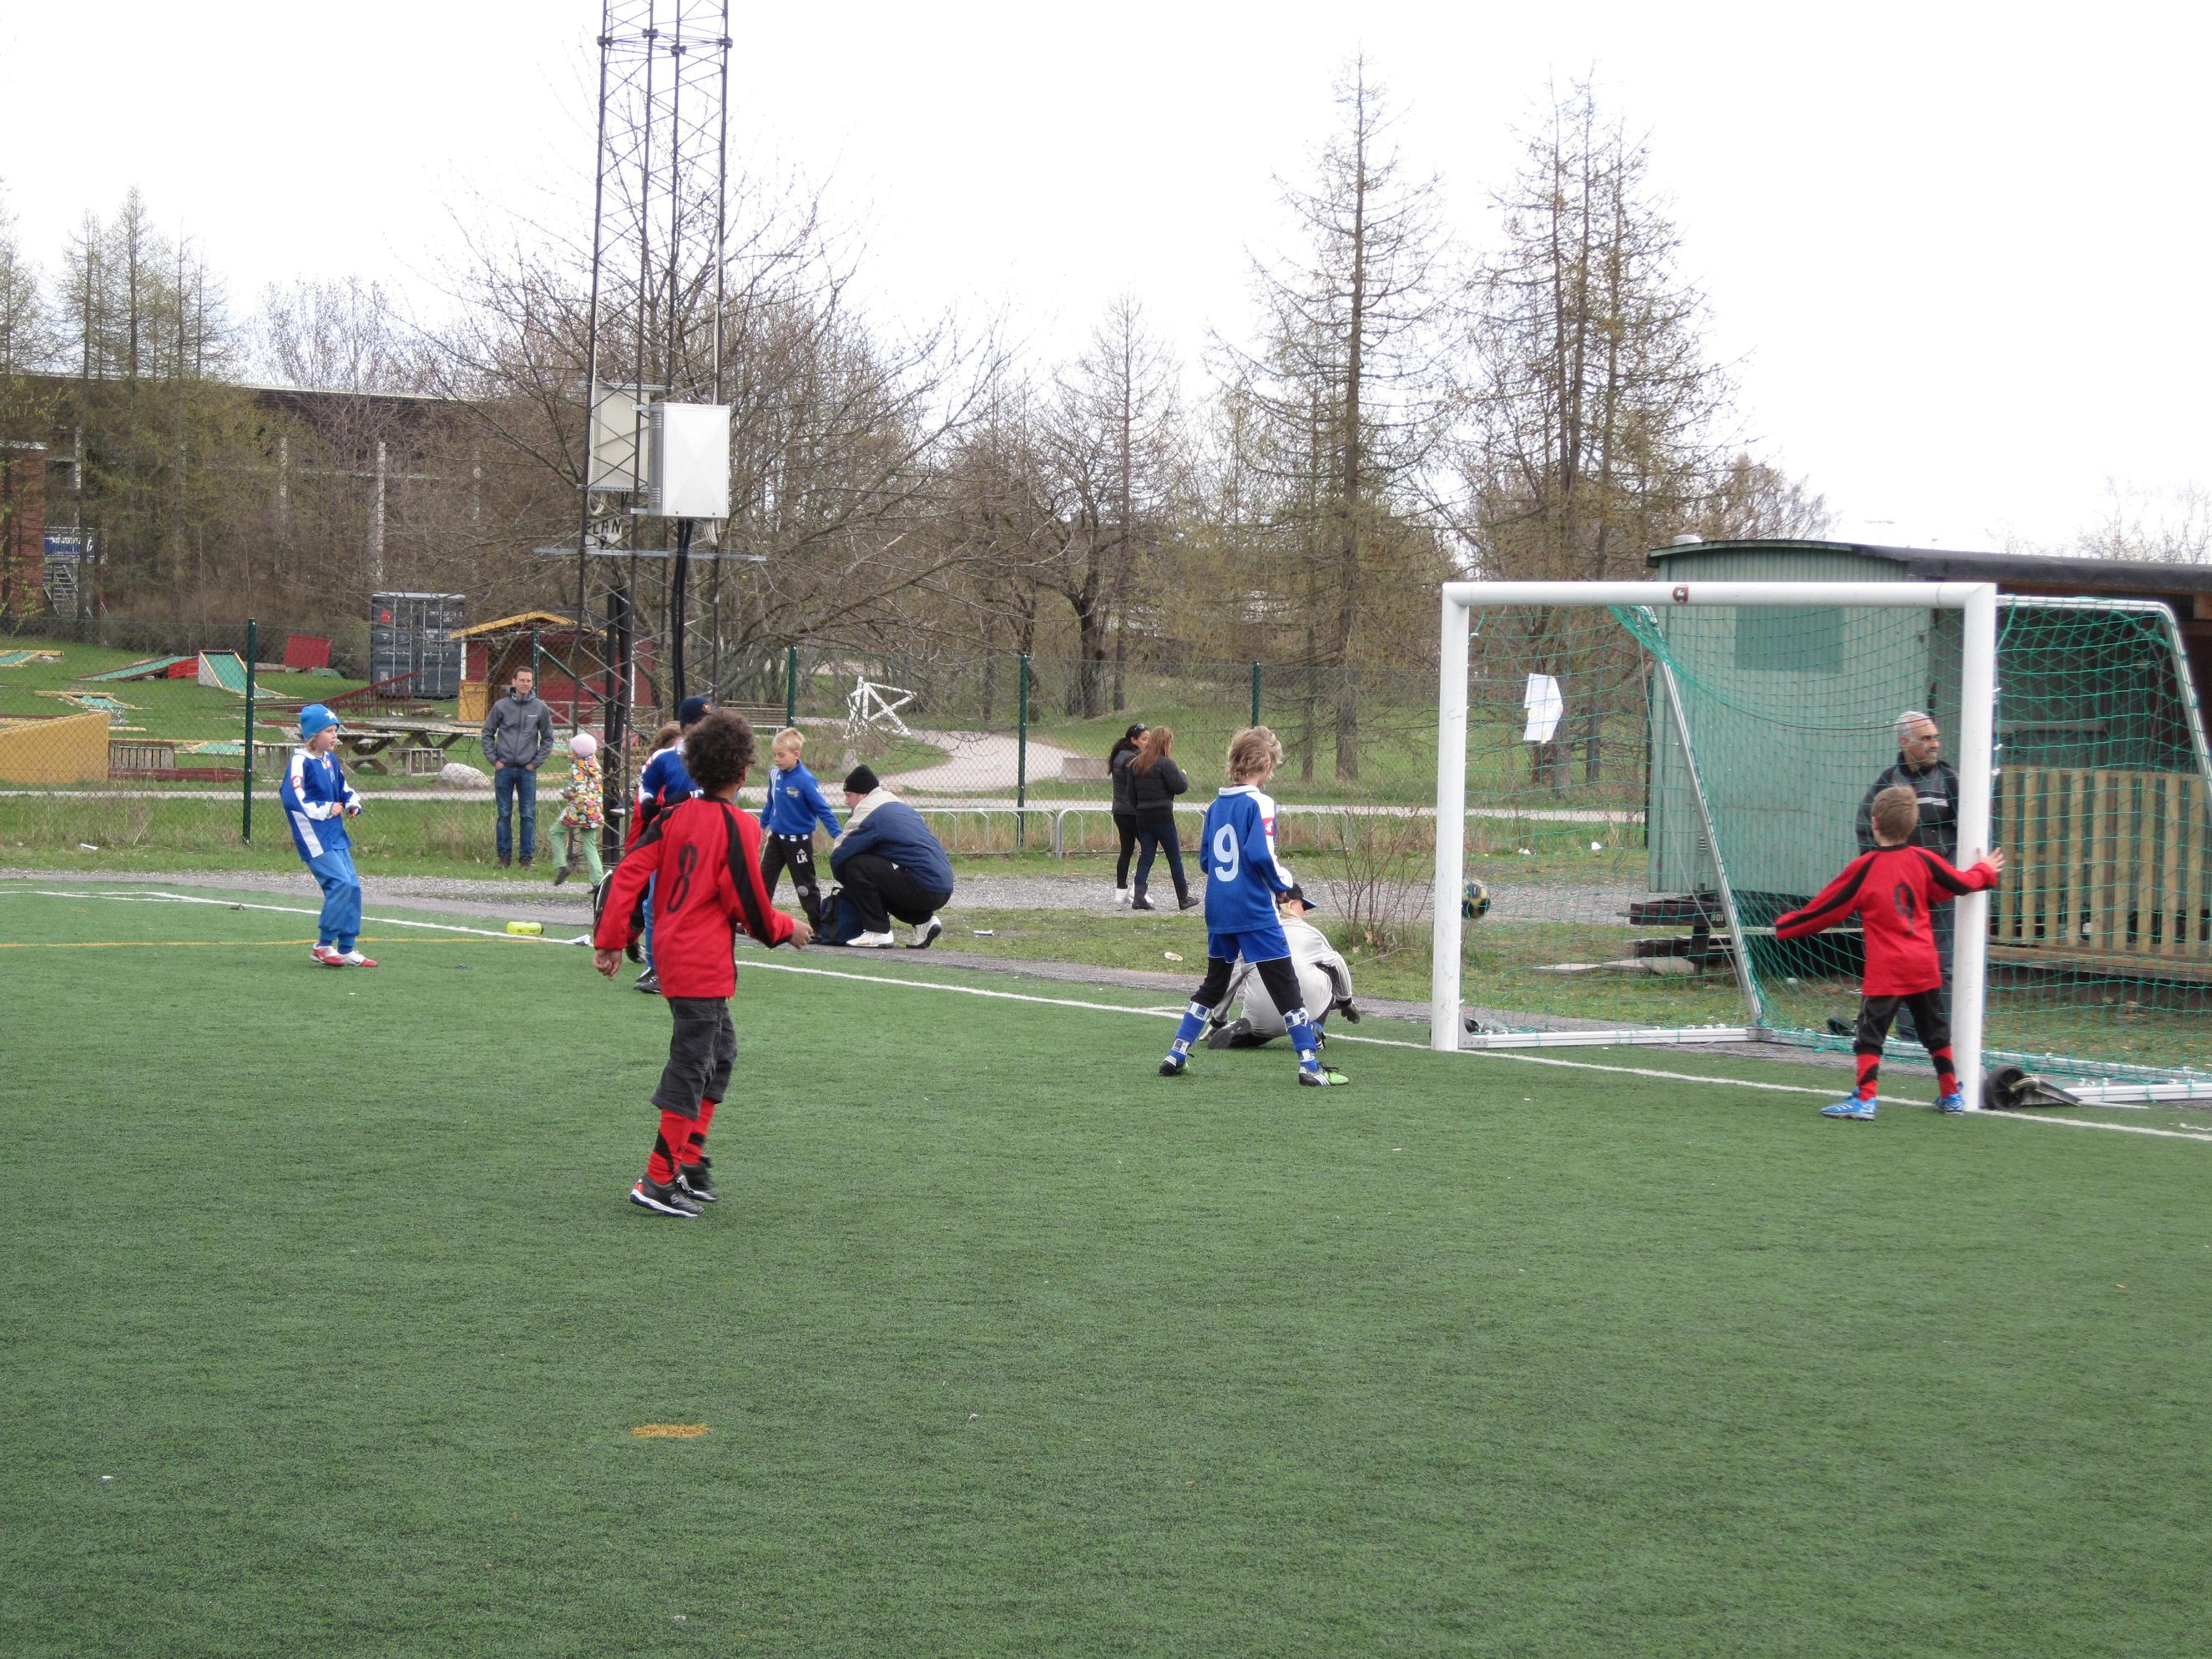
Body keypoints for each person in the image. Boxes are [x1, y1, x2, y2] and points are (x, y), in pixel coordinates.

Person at [593, 712, 813, 1217]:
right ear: (744, 770)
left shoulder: (671, 818)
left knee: (721, 1051)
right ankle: (658, 1177)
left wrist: (612, 939)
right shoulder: (739, 825)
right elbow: (747, 904)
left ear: (693, 768)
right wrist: (786, 928)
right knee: (693, 1061)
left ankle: (688, 1161)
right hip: (701, 960)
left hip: (673, 955)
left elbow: (627, 875)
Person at [1776, 784, 2002, 1120]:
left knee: (1870, 1034)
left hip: (1888, 970)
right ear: (1912, 826)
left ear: (1874, 822)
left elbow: (1827, 909)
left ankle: (1865, 1099)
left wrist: (1784, 927)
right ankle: (1951, 1094)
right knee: (1936, 1031)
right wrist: (1985, 870)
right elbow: (1959, 883)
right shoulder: (1925, 860)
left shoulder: (1865, 868)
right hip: (1924, 965)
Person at [1157, 726, 1346, 1087]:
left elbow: (1206, 861)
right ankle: (1309, 1065)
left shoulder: (1216, 806)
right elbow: (1261, 854)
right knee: (1284, 983)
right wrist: (1281, 885)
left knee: (1214, 982)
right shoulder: (1260, 803)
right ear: (1267, 764)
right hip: (1253, 909)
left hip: (1219, 908)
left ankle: (1176, 1052)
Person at [1844, 710, 1963, 1041]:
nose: (1934, 744)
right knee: (1901, 964)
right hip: (1901, 895)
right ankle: (1909, 1037)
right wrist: (1878, 872)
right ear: (1904, 742)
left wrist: (1948, 874)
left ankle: (1941, 1035)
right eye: (1926, 739)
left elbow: (1973, 831)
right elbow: (1866, 827)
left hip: (1941, 892)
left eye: (1936, 738)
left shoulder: (1950, 781)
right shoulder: (1887, 782)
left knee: (1943, 965)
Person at [627, 698, 713, 995]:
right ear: (686, 726)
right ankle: (657, 967)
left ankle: (700, 965)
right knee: (653, 904)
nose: (705, 729)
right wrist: (648, 801)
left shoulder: (721, 757)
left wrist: (685, 799)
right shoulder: (664, 758)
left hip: (705, 841)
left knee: (701, 905)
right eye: (699, 723)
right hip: (668, 840)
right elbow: (646, 783)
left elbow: (725, 794)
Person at [280, 703, 376, 968]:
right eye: (330, 731)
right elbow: (293, 799)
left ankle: (346, 948)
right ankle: (322, 946)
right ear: (314, 735)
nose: (335, 736)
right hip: (314, 836)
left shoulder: (329, 760)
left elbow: (343, 788)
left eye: (336, 731)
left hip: (335, 833)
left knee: (352, 887)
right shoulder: (300, 762)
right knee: (340, 883)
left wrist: (352, 803)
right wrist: (326, 808)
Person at [1205, 885, 1359, 1049]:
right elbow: (1338, 963)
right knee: (1327, 970)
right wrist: (1346, 1001)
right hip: (1302, 1011)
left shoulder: (1252, 935)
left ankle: (1237, 1035)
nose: (1304, 913)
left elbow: (1231, 978)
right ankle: (1314, 1029)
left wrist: (1218, 1020)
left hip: (1261, 1017)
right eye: (1303, 906)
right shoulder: (1310, 933)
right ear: (1292, 905)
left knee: (1256, 1021)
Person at [827, 764, 954, 949]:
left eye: (848, 795)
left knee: (854, 866)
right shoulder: (898, 805)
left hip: (923, 886)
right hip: (943, 886)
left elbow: (840, 854)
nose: (846, 801)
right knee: (879, 878)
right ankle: (924, 922)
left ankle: (878, 931)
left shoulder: (869, 811)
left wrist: (850, 884)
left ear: (862, 795)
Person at [758, 727, 840, 926]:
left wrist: (837, 834)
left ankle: (818, 926)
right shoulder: (774, 774)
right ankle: (758, 921)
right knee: (763, 881)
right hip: (776, 839)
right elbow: (771, 801)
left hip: (799, 842)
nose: (776, 759)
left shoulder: (805, 780)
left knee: (805, 886)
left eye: (781, 755)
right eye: (774, 755)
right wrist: (763, 824)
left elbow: (822, 808)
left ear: (796, 754)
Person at [480, 667, 555, 869]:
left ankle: (526, 859)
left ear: (532, 683)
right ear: (513, 682)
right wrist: (495, 761)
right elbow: (487, 733)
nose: (525, 684)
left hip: (526, 770)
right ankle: (504, 857)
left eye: (529, 681)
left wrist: (534, 764)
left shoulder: (540, 707)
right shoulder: (500, 706)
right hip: (504, 768)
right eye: (522, 680)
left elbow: (548, 738)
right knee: (504, 814)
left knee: (527, 815)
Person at [1127, 724, 1198, 911]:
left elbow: (1130, 795)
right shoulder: (1166, 764)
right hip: (1163, 816)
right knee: (1174, 857)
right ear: (1165, 743)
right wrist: (1183, 776)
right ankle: (1183, 897)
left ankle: (1139, 896)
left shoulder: (1136, 764)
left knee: (1147, 855)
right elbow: (1180, 787)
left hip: (1143, 816)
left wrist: (1141, 807)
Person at [551, 730, 605, 888]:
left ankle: (561, 865)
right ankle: (598, 882)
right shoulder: (595, 765)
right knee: (590, 845)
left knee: (556, 832)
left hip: (579, 810)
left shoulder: (577, 767)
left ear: (578, 752)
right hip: (594, 810)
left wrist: (566, 793)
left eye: (573, 749)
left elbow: (578, 788)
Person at [1108, 722, 1145, 906]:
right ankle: (1138, 890)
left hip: (1119, 809)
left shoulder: (1120, 755)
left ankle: (1120, 890)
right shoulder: (1133, 758)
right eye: (1144, 739)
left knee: (1127, 849)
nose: (1148, 743)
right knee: (1148, 848)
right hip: (1132, 811)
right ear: (1133, 740)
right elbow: (1138, 783)